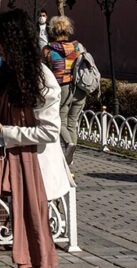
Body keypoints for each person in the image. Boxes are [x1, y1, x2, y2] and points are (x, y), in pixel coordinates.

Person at [0, 9, 72, 268]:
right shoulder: (11, 76)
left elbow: (49, 132)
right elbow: (9, 117)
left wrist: (3, 130)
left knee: (37, 234)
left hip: (36, 169)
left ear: (14, 42)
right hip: (18, 165)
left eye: (0, 41)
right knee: (26, 231)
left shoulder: (41, 79)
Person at [43, 16, 88, 164]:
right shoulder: (77, 47)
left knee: (60, 120)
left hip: (60, 87)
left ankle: (68, 144)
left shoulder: (48, 49)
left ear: (52, 30)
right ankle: (70, 159)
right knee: (72, 122)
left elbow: (44, 70)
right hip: (79, 88)